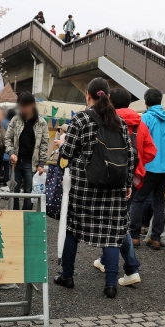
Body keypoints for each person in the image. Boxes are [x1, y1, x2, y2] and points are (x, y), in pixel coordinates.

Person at [55, 77, 135, 298]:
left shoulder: (80, 120)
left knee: (73, 228)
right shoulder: (120, 122)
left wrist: (63, 146)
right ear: (108, 96)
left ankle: (67, 276)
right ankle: (111, 285)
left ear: (88, 95)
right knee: (111, 234)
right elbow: (130, 156)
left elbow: (67, 153)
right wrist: (128, 183)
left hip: (84, 187)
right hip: (115, 188)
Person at [92, 87, 155, 287]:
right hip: (133, 179)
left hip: (109, 178)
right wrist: (139, 164)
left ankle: (131, 267)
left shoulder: (107, 120)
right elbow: (151, 151)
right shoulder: (141, 124)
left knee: (115, 223)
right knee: (118, 220)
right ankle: (105, 260)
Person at [129, 88, 165, 250]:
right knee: (159, 201)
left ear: (146, 102)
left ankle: (134, 236)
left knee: (138, 199)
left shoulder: (146, 118)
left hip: (149, 166)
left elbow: (140, 143)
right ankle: (156, 238)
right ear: (160, 101)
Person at [5, 92, 49, 210]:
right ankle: (14, 216)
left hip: (32, 163)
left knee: (29, 192)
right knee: (14, 190)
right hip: (16, 162)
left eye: (25, 106)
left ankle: (26, 217)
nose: (22, 109)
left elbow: (44, 144)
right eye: (20, 106)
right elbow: (8, 138)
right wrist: (11, 152)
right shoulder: (15, 120)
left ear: (32, 105)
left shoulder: (41, 123)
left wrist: (41, 164)